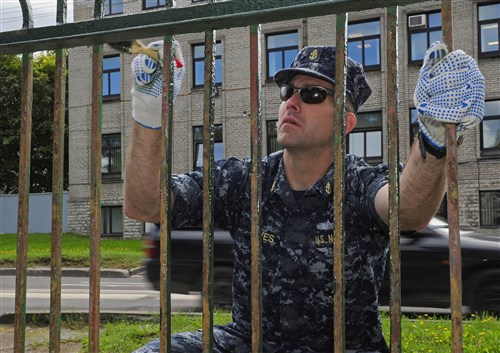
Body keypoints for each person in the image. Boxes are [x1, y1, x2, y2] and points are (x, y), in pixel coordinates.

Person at [125, 40, 485, 353]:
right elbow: (144, 205)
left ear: (344, 124)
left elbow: (407, 210)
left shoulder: (359, 181)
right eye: (288, 91)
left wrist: (434, 139)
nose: (292, 102)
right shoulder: (246, 180)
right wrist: (149, 114)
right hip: (250, 343)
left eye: (312, 94)